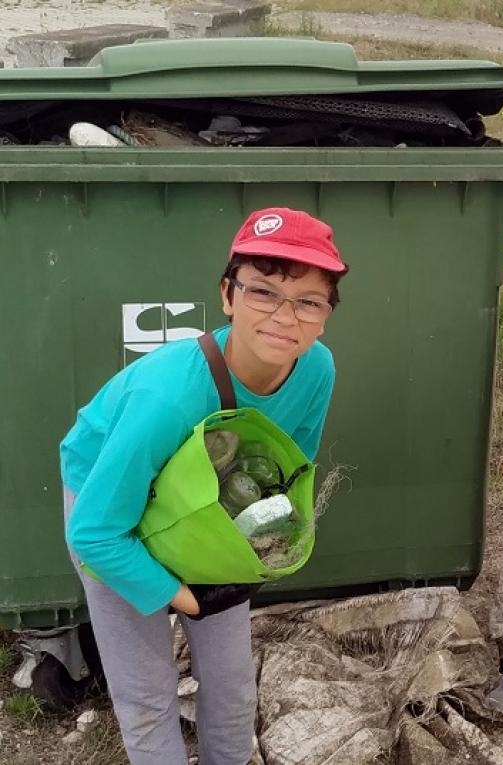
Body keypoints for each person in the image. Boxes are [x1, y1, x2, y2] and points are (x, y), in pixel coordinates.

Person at [62, 208, 348, 765]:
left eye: (309, 301)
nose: (285, 318)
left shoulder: (316, 370)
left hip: (207, 497)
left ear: (327, 314)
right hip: (109, 502)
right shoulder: (166, 395)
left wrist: (243, 563)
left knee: (233, 685)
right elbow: (95, 533)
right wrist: (183, 596)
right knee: (148, 694)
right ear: (227, 295)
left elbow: (288, 476)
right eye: (263, 292)